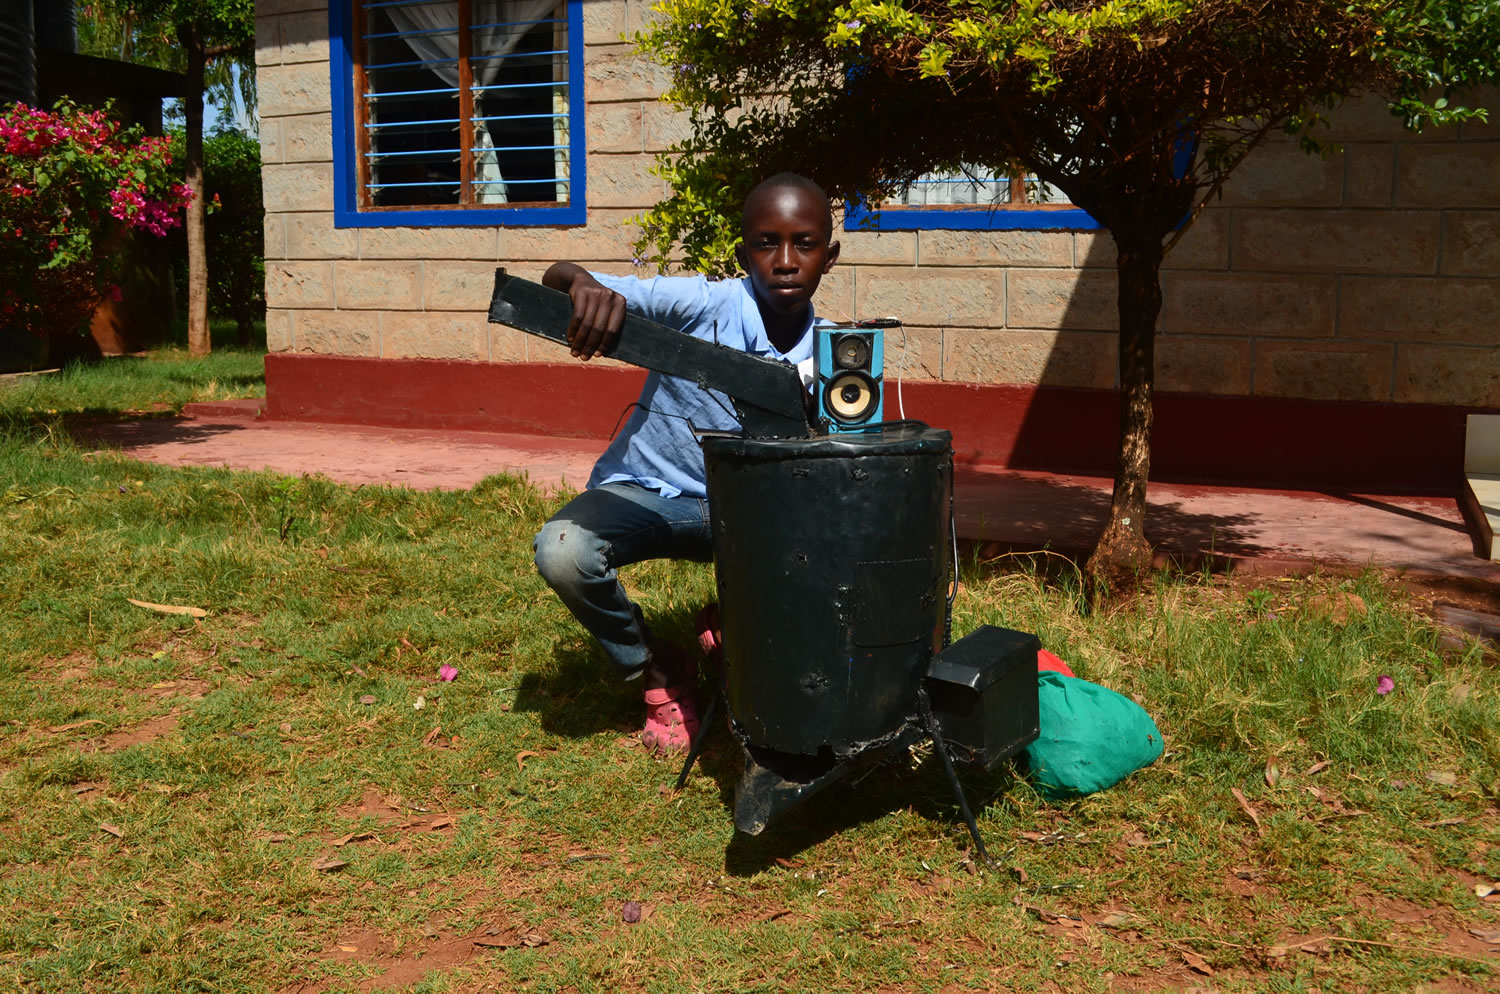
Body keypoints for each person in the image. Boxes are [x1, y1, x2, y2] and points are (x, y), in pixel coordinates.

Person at [532, 172, 840, 756]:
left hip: (748, 514)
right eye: (765, 243)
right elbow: (561, 279)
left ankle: (737, 625)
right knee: (564, 551)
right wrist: (583, 287)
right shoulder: (703, 303)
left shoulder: (834, 353)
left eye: (805, 243)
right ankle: (660, 667)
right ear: (741, 251)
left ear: (831, 255)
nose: (784, 260)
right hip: (648, 491)